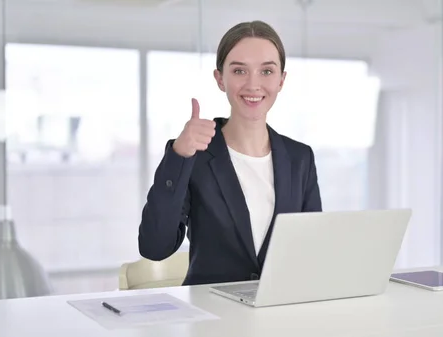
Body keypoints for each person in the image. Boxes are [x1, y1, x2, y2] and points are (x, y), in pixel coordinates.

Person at [138, 20, 323, 286]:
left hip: (279, 317)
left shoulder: (300, 158)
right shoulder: (194, 153)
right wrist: (178, 156)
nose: (253, 84)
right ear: (220, 79)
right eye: (239, 70)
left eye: (267, 71)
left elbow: (312, 248)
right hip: (211, 319)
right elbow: (154, 246)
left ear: (282, 80)